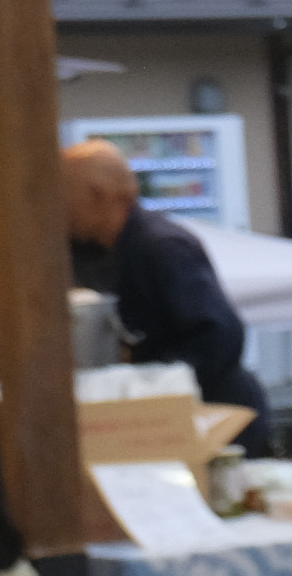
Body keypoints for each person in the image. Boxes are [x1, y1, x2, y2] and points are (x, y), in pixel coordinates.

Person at [61, 142, 268, 452]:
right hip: (145, 419)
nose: (56, 209)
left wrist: (150, 386)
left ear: (97, 195)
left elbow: (219, 337)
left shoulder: (163, 248)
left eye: (63, 198)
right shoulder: (86, 251)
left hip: (212, 419)